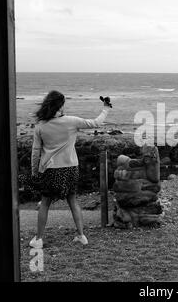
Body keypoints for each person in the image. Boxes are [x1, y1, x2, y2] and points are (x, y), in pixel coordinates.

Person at [28, 91, 111, 248]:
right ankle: (81, 236)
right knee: (73, 200)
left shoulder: (40, 126)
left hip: (51, 170)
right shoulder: (71, 121)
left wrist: (35, 172)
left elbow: (35, 152)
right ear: (60, 105)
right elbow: (95, 123)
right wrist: (106, 108)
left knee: (45, 203)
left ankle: (38, 239)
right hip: (71, 168)